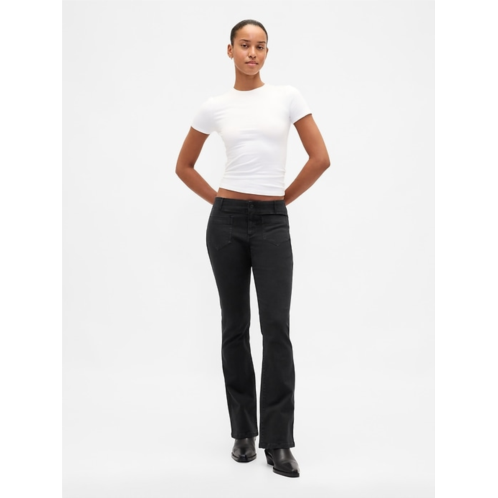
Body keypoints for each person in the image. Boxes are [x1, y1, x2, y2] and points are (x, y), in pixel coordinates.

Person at [175, 19, 330, 479]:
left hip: (271, 224)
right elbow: (184, 165)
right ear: (230, 50)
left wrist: (281, 200)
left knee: (276, 327)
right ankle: (243, 431)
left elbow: (320, 158)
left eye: (260, 46)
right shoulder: (215, 106)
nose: (252, 53)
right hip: (225, 224)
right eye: (244, 45)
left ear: (267, 52)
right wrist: (220, 202)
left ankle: (278, 441)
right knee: (234, 326)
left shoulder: (287, 97)